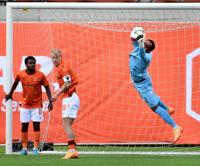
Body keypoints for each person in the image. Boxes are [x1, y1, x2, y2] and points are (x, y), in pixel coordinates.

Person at [129, 27, 182, 142]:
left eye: (144, 43)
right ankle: (168, 108)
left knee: (154, 107)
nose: (141, 42)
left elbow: (142, 52)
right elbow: (134, 40)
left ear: (146, 48)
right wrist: (138, 32)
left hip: (142, 84)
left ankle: (175, 127)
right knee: (153, 97)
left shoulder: (146, 57)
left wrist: (142, 41)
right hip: (144, 79)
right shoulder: (138, 47)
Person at [5, 56, 53, 155]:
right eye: (30, 63)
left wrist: (50, 101)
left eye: (34, 63)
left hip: (37, 105)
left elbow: (47, 87)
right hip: (25, 105)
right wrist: (10, 93)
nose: (33, 65)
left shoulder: (41, 75)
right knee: (24, 126)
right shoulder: (20, 74)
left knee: (36, 126)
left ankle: (35, 148)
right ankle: (24, 149)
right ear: (26, 64)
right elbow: (15, 83)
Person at [50, 49, 80, 160]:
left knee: (66, 124)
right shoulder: (60, 68)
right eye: (52, 58)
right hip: (71, 97)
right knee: (67, 124)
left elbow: (67, 84)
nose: (54, 60)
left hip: (70, 97)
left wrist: (56, 95)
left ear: (61, 57)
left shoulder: (63, 68)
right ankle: (73, 150)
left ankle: (72, 150)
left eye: (56, 57)